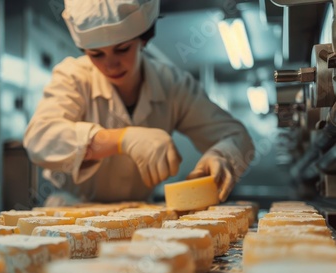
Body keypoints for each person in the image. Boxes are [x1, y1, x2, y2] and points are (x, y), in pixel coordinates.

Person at [23, 0, 255, 206]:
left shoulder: (172, 85)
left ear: (143, 39)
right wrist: (121, 139)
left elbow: (236, 135)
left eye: (122, 49)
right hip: (72, 213)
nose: (110, 65)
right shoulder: (73, 76)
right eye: (96, 54)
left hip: (140, 213)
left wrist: (221, 156)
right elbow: (39, 139)